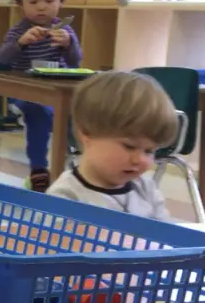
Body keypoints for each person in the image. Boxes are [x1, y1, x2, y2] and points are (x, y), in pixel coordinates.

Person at [0, 0, 83, 192]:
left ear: (61, 1)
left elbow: (76, 61)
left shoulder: (64, 30)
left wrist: (68, 44)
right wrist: (20, 43)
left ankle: (78, 171)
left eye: (49, 0)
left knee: (86, 111)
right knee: (38, 112)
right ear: (20, 4)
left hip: (59, 94)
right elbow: (3, 58)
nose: (42, 7)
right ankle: (38, 170)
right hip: (25, 96)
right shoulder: (18, 31)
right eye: (33, 1)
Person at [47, 71, 178, 220]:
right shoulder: (65, 197)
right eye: (129, 147)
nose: (139, 160)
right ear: (88, 134)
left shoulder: (146, 190)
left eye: (149, 151)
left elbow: (165, 237)